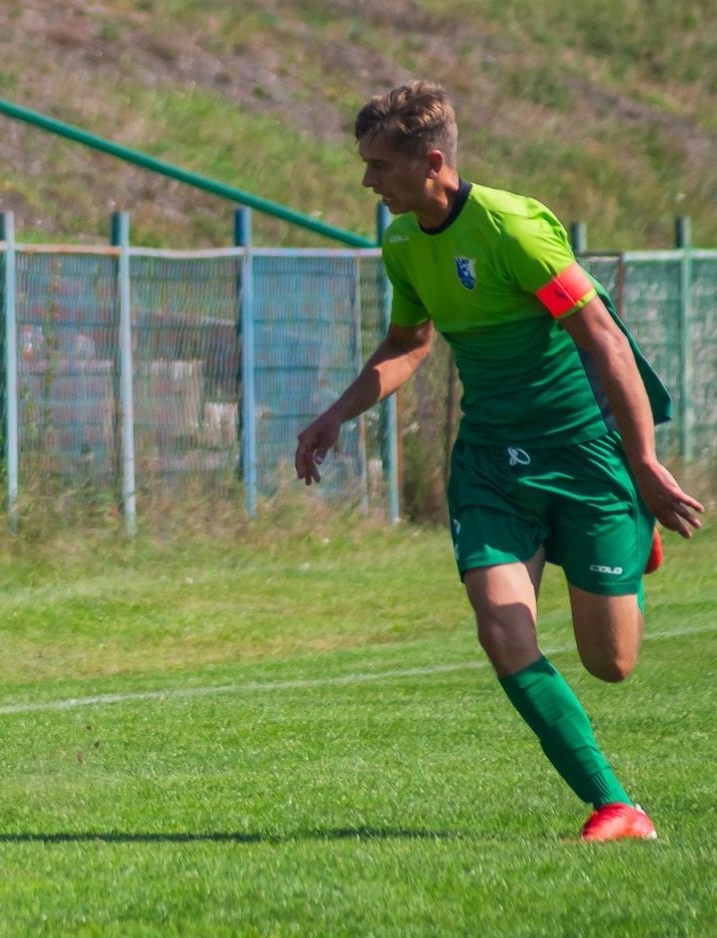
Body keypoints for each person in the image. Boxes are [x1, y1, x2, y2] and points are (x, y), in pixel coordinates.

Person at [294, 82, 704, 843]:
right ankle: (616, 805)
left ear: (434, 162)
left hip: (585, 459)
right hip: (491, 465)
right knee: (501, 629)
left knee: (611, 663)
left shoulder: (513, 228)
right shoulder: (403, 243)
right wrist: (334, 415)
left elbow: (604, 341)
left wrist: (642, 462)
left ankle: (627, 526)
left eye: (379, 165)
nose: (367, 182)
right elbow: (409, 347)